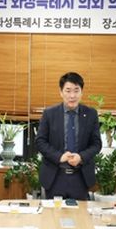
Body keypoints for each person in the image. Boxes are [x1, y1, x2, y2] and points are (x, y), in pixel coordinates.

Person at [35, 71, 102, 200]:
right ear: (61, 92)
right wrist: (59, 156)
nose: (72, 95)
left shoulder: (91, 114)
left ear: (81, 92)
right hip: (55, 177)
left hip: (80, 177)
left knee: (80, 213)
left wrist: (81, 157)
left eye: (76, 90)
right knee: (54, 213)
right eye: (68, 90)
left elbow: (96, 144)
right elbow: (40, 141)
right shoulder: (49, 113)